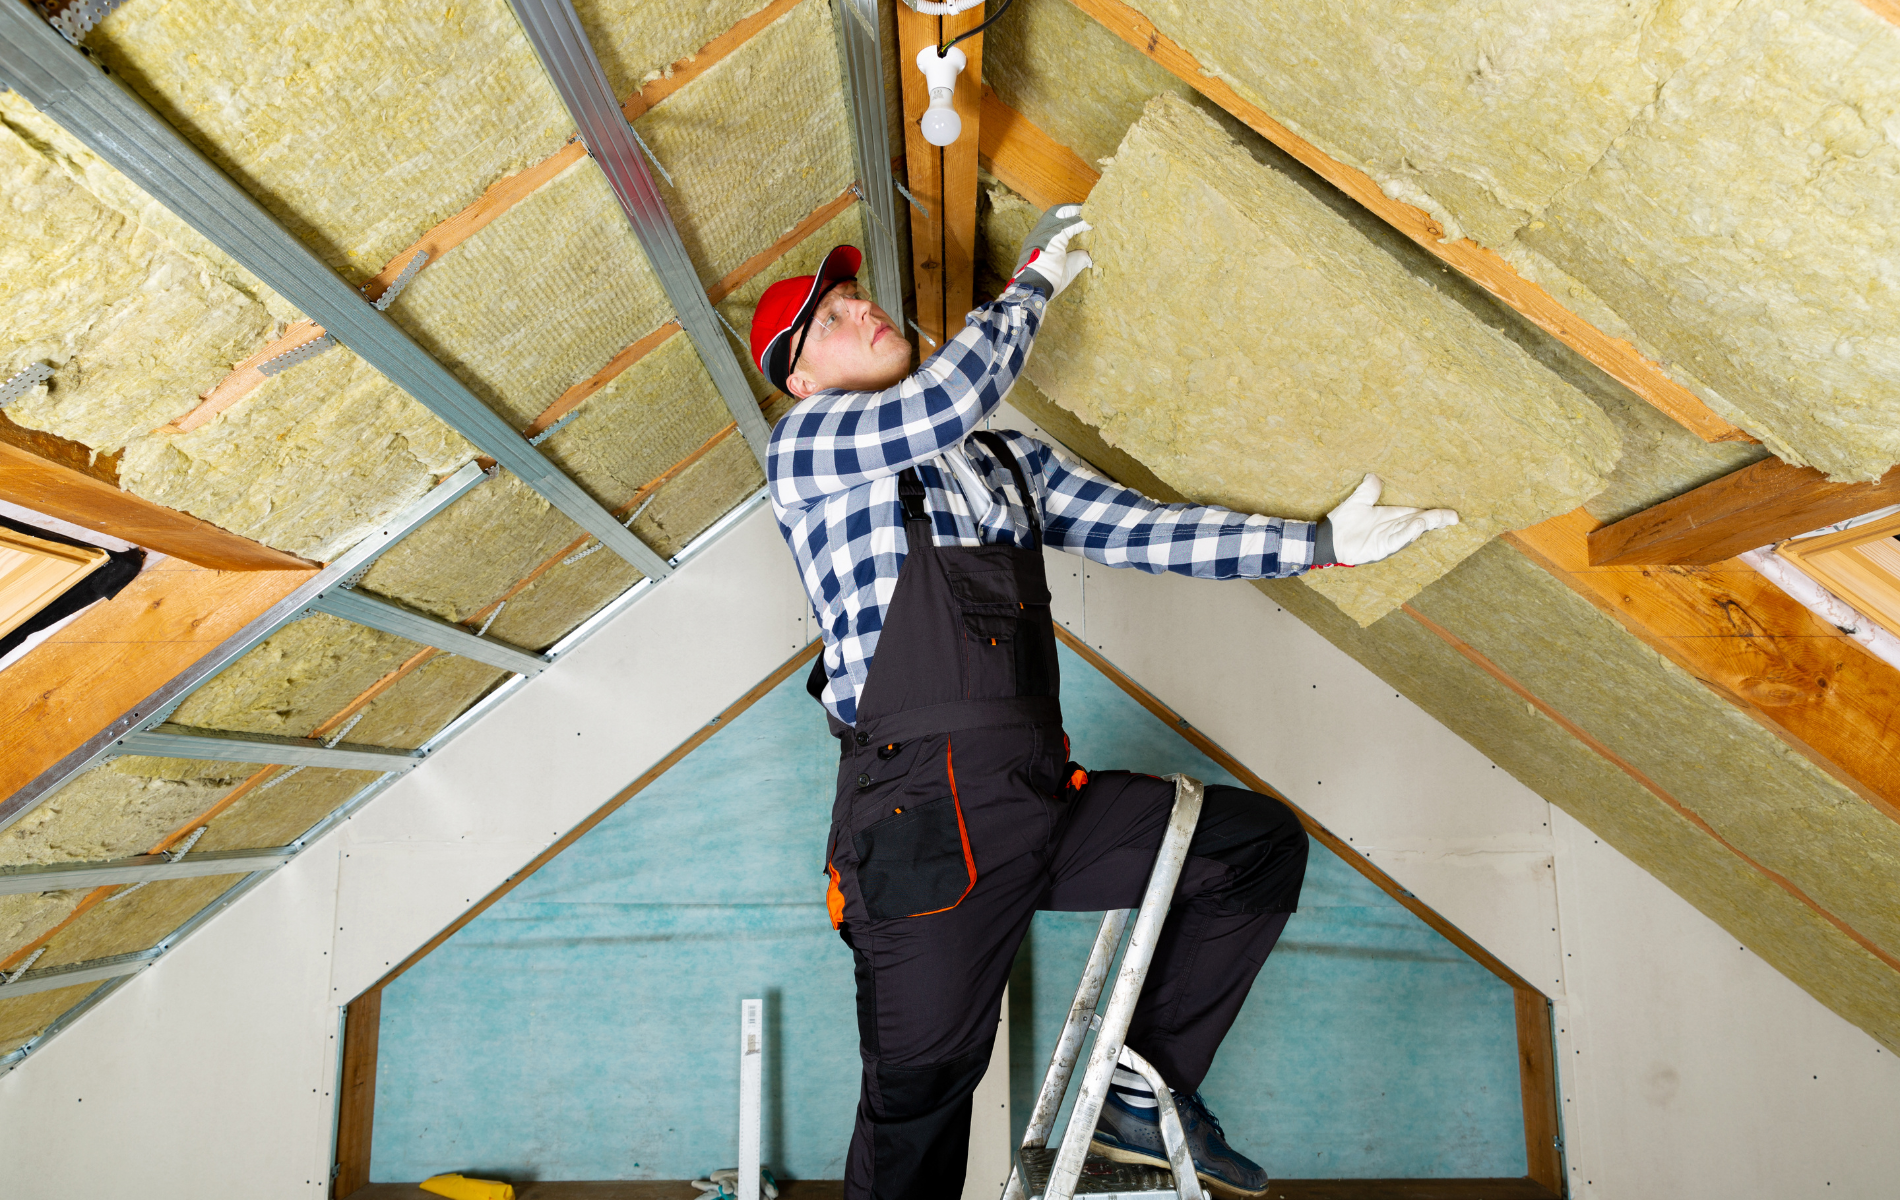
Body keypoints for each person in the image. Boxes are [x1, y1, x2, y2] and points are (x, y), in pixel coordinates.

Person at [749, 207, 1458, 1200]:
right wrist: (1026, 290)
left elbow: (1144, 532)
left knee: (1249, 849)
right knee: (921, 1098)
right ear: (801, 379)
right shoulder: (808, 449)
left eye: (855, 297)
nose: (860, 309)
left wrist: (1316, 545)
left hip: (1036, 800)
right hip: (922, 829)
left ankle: (1143, 1087)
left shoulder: (1002, 461)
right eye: (829, 319)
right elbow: (937, 405)